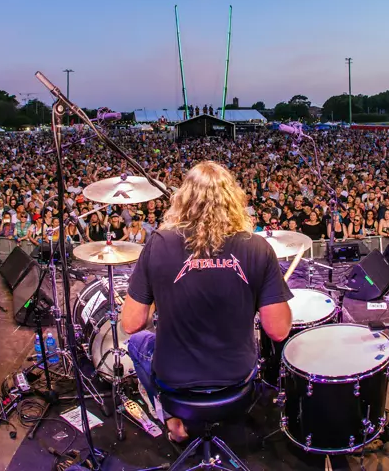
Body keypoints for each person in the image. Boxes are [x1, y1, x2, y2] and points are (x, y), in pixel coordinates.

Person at [121, 161, 293, 443]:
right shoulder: (258, 248)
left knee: (136, 344)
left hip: (175, 379)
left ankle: (174, 421)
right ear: (233, 199)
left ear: (184, 200)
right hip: (237, 376)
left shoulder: (159, 243)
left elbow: (131, 323)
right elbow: (278, 331)